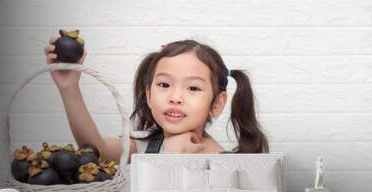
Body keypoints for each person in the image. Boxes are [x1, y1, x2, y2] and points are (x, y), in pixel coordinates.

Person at [44, 37, 269, 164]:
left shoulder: (225, 164)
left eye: (192, 88)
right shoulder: (144, 145)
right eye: (164, 85)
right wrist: (69, 86)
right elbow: (94, 151)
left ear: (217, 103)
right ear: (149, 96)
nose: (175, 97)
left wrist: (173, 158)